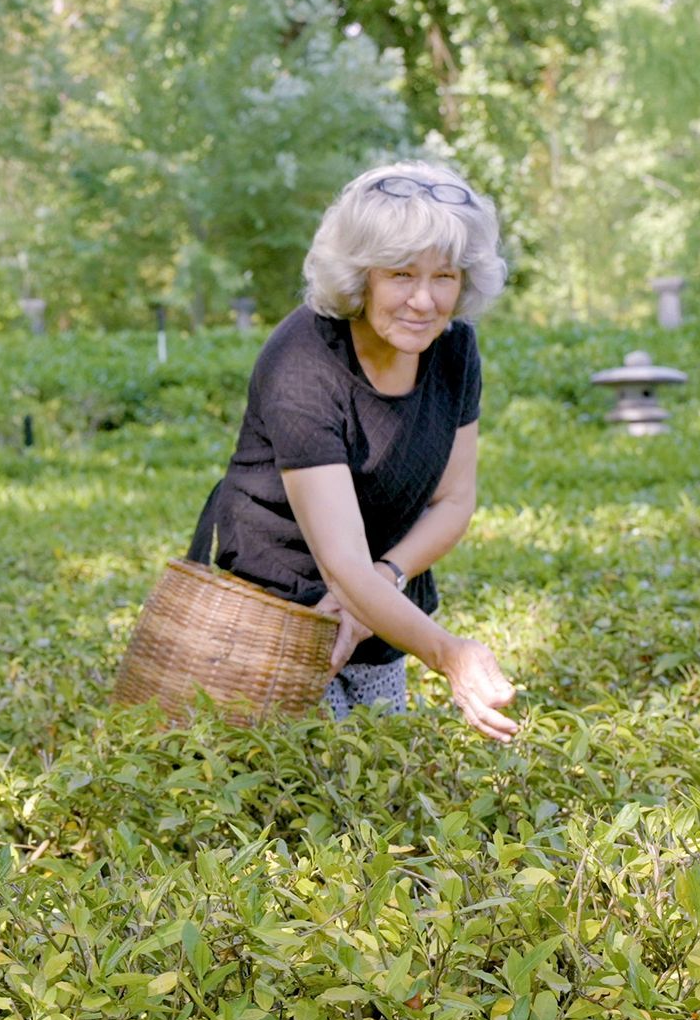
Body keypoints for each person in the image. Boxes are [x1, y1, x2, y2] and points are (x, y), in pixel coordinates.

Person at [185, 161, 518, 741]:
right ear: (361, 276)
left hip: (383, 603)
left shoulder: (454, 348)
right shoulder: (301, 361)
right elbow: (340, 562)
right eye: (400, 274)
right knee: (303, 768)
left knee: (382, 763)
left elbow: (454, 500)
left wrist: (385, 579)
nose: (423, 300)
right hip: (283, 604)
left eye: (444, 276)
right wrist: (450, 655)